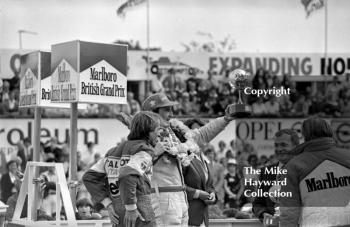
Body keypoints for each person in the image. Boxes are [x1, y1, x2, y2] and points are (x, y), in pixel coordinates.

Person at [141, 92, 235, 227]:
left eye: (171, 109)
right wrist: (155, 153)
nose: (171, 114)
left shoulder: (175, 132)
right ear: (153, 113)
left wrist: (225, 119)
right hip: (163, 197)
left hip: (180, 198)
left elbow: (202, 133)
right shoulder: (145, 137)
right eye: (166, 110)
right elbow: (137, 168)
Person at [83, 111, 165, 227]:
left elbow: (88, 177)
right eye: (157, 130)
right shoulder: (144, 150)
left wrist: (108, 204)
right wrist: (131, 208)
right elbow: (127, 174)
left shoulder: (112, 152)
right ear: (148, 132)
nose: (159, 135)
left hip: (117, 209)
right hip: (138, 207)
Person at [280, 117, 350, 227]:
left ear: (304, 135)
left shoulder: (293, 166)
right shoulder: (347, 157)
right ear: (329, 131)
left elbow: (289, 212)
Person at [252, 129, 300, 226]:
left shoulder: (305, 170)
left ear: (296, 147)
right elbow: (258, 204)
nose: (278, 149)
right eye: (276, 145)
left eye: (283, 145)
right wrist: (263, 213)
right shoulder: (265, 172)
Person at [182, 118, 217, 227]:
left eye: (202, 132)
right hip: (187, 216)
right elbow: (177, 185)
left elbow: (209, 185)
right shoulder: (183, 157)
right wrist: (197, 194)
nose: (200, 135)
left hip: (203, 217)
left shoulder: (204, 158)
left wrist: (212, 194)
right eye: (195, 132)